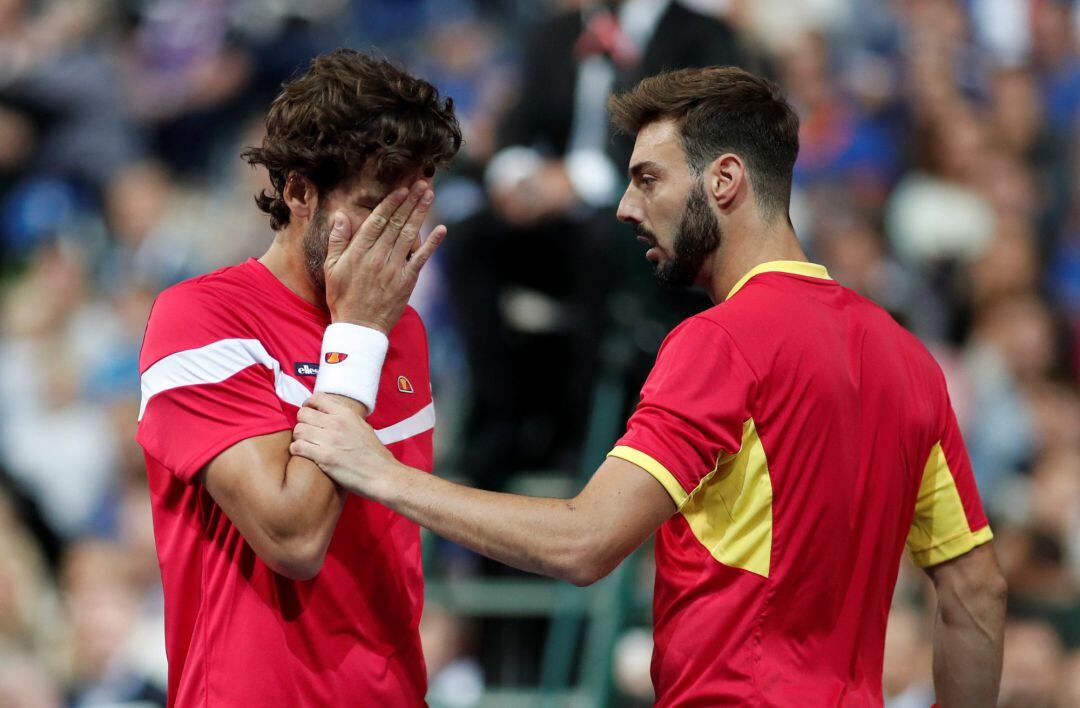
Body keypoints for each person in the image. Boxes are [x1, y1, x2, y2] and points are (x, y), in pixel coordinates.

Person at [291, 66, 1008, 706]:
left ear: (724, 181)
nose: (627, 209)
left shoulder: (720, 342)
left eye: (648, 178)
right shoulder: (910, 361)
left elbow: (585, 541)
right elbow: (975, 592)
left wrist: (380, 473)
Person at [135, 49, 460, 706]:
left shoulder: (404, 331)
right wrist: (357, 338)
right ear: (299, 191)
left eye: (412, 209)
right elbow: (293, 536)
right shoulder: (200, 317)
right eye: (373, 207)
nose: (395, 238)